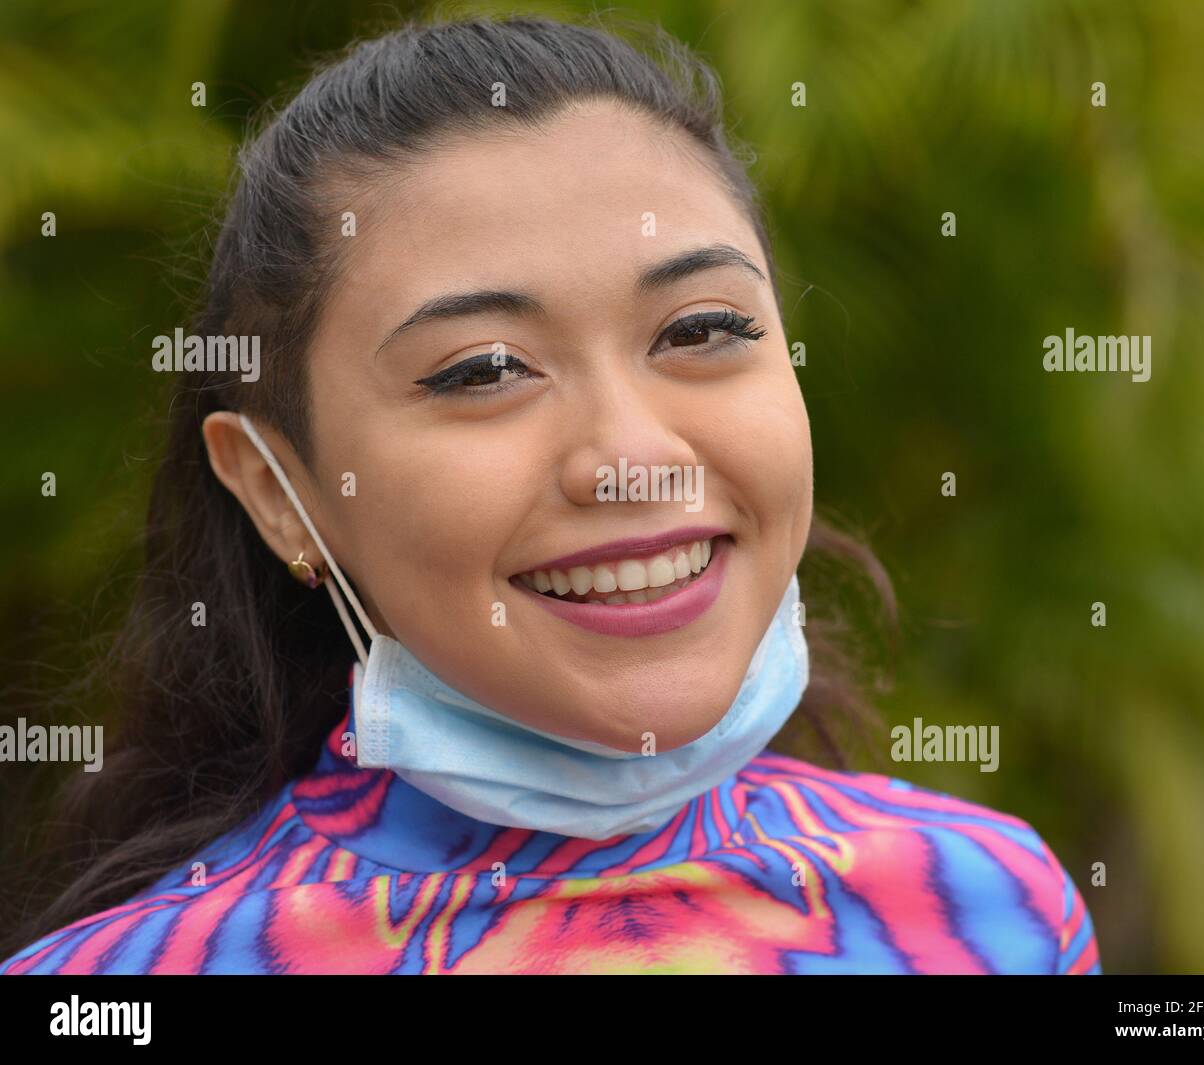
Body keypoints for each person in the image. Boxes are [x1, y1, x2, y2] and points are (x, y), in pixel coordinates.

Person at [0, 13, 1100, 975]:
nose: (630, 455)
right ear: (280, 492)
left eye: (701, 330)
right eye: (483, 370)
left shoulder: (995, 913)